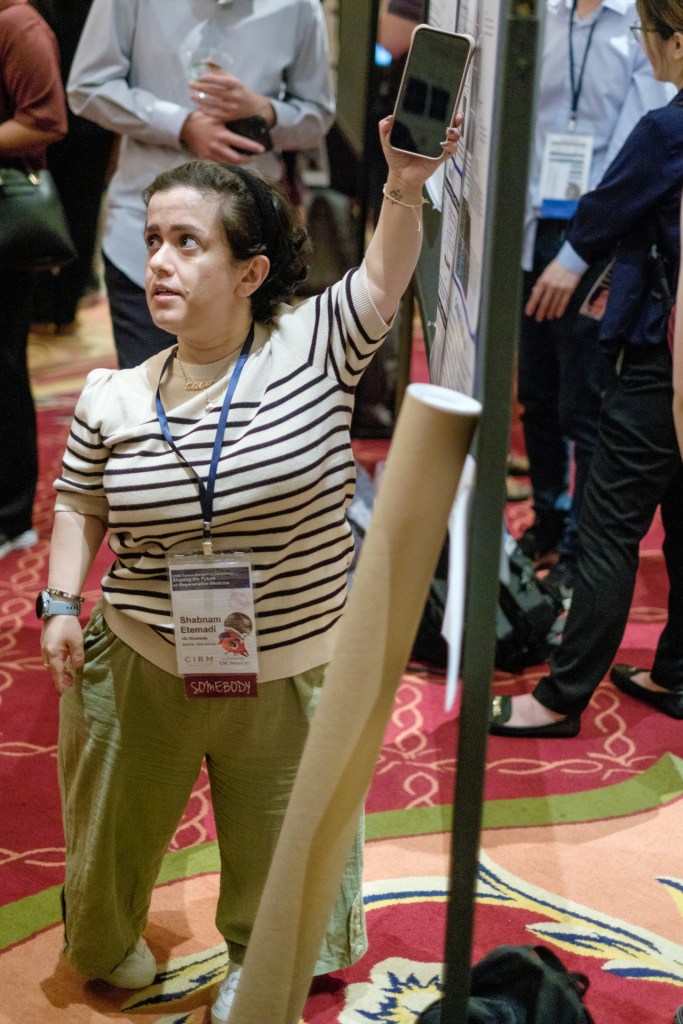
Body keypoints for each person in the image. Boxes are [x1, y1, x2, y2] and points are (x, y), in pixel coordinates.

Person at [39, 116, 462, 1023]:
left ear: (249, 271)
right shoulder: (113, 394)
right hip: (143, 652)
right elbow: (79, 501)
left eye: (187, 243)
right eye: (152, 240)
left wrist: (404, 184)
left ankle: (259, 959)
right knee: (109, 838)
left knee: (282, 838)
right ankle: (106, 937)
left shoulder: (313, 346)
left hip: (291, 658)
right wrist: (61, 603)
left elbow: (383, 277)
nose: (158, 262)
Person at [489, 0, 683, 739]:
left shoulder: (667, 128)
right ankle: (674, 671)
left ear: (674, 42)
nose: (644, 49)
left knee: (607, 530)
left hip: (658, 356)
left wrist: (573, 259)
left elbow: (606, 204)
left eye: (648, 35)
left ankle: (560, 698)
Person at [66, 0, 335, 369]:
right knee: (151, 393)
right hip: (143, 241)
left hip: (249, 247)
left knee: (248, 392)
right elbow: (87, 86)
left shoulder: (299, 6)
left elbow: (317, 118)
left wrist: (266, 111)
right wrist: (179, 124)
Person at [516, 0, 672, 597]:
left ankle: (580, 548)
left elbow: (641, 153)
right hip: (534, 222)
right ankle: (548, 517)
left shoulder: (639, 21)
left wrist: (579, 251)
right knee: (537, 390)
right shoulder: (541, 16)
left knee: (584, 401)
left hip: (599, 236)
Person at [0, 0, 67, 559]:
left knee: (1, 366)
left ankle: (10, 516)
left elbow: (46, 121)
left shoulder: (17, 24)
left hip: (5, 225)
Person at [28, 0, 116, 335]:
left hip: (67, 120)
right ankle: (62, 309)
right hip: (84, 123)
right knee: (77, 213)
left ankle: (52, 309)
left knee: (50, 209)